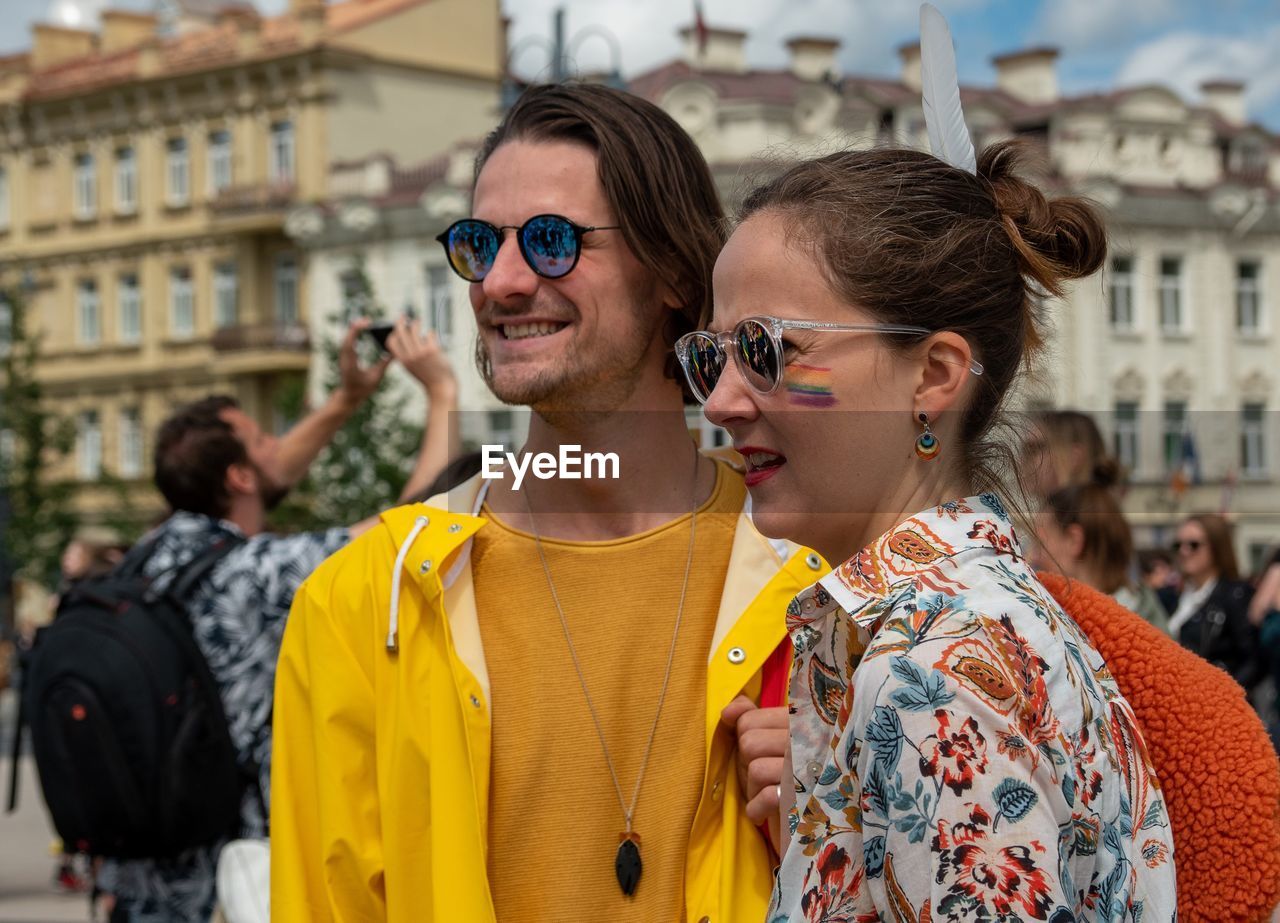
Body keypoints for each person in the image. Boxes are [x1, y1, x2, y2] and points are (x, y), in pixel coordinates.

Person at [271, 83, 820, 923]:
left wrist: (832, 835)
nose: (502, 281)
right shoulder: (365, 601)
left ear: (673, 270)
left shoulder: (820, 578)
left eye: (552, 241)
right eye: (478, 243)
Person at [679, 139, 1176, 919]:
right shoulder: (950, 630)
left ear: (934, 375)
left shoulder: (933, 674)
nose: (720, 402)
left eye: (765, 350)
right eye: (712, 356)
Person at [99, 317, 456, 923]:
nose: (281, 446)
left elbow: (270, 472)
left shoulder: (149, 558)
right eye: (265, 440)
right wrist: (443, 394)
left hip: (142, 872)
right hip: (224, 879)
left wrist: (348, 399)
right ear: (238, 477)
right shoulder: (254, 574)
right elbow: (411, 527)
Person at [1033, 483, 1169, 631]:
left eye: (1040, 543)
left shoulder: (1109, 635)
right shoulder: (1141, 619)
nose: (1033, 557)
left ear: (1074, 541)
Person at [1168, 513, 1259, 690]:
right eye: (1178, 545)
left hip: (1211, 702)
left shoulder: (1235, 594)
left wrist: (1223, 695)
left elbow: (1252, 659)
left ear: (1217, 547)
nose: (1183, 551)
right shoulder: (1171, 596)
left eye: (1193, 545)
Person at [1024, 409, 1122, 499]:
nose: (1022, 460)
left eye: (1034, 449)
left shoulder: (1089, 516)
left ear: (1074, 457)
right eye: (1025, 450)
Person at [1138, 547, 1180, 616]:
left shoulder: (1169, 594)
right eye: (1159, 572)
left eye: (1168, 571)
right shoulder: (1143, 595)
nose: (1165, 576)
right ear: (1147, 576)